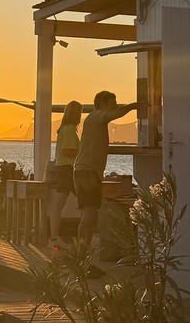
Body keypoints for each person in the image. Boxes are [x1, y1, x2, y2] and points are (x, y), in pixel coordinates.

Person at [72, 91, 138, 247]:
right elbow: (116, 114)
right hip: (87, 170)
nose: (115, 106)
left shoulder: (93, 119)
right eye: (112, 103)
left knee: (90, 213)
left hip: (85, 170)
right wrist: (135, 106)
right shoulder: (97, 116)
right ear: (102, 103)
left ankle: (83, 251)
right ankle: (79, 251)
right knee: (90, 213)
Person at [47, 100, 83, 251]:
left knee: (59, 203)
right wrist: (83, 152)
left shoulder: (64, 130)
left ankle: (54, 238)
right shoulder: (68, 130)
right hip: (67, 170)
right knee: (85, 202)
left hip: (63, 169)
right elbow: (67, 151)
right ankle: (85, 237)